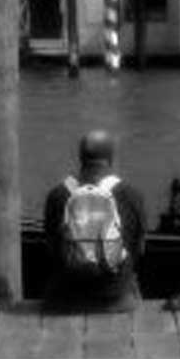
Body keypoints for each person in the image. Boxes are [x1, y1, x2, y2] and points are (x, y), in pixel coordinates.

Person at [42, 129, 148, 310]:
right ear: (111, 159)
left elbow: (51, 248)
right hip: (117, 299)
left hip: (65, 298)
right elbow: (139, 249)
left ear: (80, 158)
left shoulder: (58, 195)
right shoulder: (132, 195)